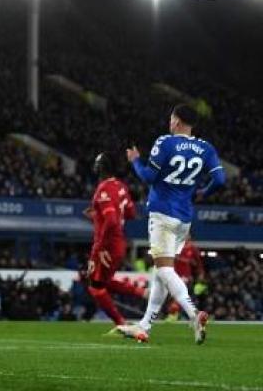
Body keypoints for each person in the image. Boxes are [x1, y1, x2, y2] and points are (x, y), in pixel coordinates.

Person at [118, 104, 225, 344]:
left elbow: (148, 177)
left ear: (176, 122)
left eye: (171, 119)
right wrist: (203, 193)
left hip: (163, 214)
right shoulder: (206, 148)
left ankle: (193, 313)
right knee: (160, 272)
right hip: (184, 219)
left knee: (165, 269)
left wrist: (135, 161)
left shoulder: (165, 142)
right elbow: (219, 179)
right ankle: (144, 326)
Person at [84, 153, 147, 328]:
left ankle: (121, 324)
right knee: (102, 281)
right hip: (118, 242)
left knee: (95, 286)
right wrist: (97, 215)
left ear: (100, 167)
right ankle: (142, 292)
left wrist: (100, 247)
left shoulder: (104, 189)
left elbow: (111, 220)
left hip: (108, 244)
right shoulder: (121, 186)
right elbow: (131, 213)